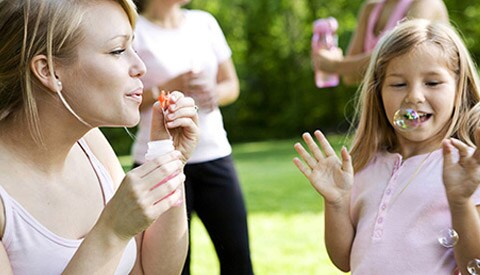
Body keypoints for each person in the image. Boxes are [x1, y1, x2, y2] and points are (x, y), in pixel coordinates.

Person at [0, 0, 199, 274]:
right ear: (48, 70)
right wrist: (112, 231)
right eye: (118, 50)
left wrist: (168, 160)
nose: (140, 67)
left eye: (133, 47)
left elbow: (152, 271)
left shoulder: (91, 145)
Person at [294, 19, 480, 274]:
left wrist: (460, 202)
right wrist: (337, 203)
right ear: (378, 94)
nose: (414, 96)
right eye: (398, 84)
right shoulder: (366, 163)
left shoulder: (468, 166)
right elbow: (345, 260)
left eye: (433, 83)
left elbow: (476, 264)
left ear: (459, 88)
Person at [131, 0, 253, 274]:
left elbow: (231, 86)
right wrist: (166, 88)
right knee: (172, 265)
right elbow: (123, 101)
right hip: (158, 162)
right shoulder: (134, 29)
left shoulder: (204, 22)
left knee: (237, 257)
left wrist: (214, 94)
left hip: (214, 155)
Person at [312, 0, 449, 86]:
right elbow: (351, 77)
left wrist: (336, 65)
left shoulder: (425, 4)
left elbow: (396, 57)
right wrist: (338, 64)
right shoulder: (370, 9)